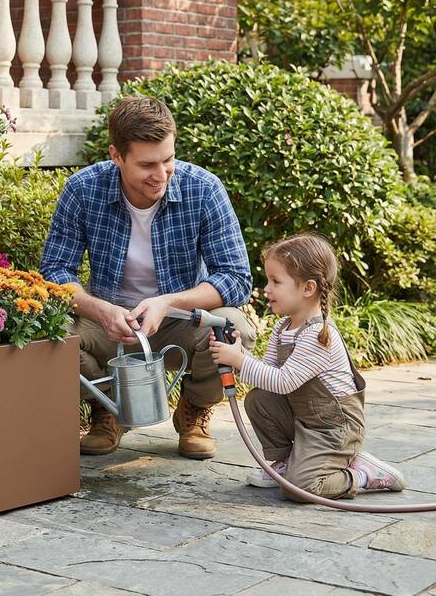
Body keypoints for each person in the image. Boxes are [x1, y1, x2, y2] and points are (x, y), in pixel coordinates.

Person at [40, 95, 255, 458]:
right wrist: (99, 310)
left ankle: (194, 409)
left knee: (234, 328)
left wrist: (166, 303)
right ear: (116, 155)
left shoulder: (203, 188)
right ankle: (108, 410)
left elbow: (235, 278)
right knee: (50, 334)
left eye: (168, 159)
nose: (161, 174)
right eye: (147, 165)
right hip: (108, 324)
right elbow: (54, 272)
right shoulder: (83, 189)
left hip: (177, 322)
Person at [209, 233, 405, 500]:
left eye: (276, 281)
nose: (267, 288)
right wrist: (238, 352)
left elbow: (284, 382)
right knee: (260, 399)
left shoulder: (319, 335)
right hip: (304, 419)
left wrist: (239, 360)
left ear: (308, 288)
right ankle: (284, 463)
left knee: (301, 490)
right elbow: (267, 378)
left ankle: (362, 473)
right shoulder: (283, 327)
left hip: (334, 428)